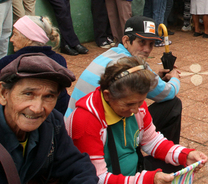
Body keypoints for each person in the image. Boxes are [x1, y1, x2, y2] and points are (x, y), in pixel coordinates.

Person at [67, 56, 207, 182]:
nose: (135, 110)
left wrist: (185, 155)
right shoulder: (85, 120)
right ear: (107, 95)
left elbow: (152, 141)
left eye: (140, 102)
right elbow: (96, 178)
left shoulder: (137, 105)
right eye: (128, 104)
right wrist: (148, 180)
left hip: (132, 171)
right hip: (105, 178)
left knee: (178, 168)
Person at [66, 15, 182, 143]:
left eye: (151, 44)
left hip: (71, 127)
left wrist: (156, 77)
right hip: (92, 134)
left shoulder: (110, 54)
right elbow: (168, 92)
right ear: (126, 40)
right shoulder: (135, 65)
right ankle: (166, 156)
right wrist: (175, 78)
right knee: (173, 104)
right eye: (141, 42)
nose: (147, 50)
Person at [0, 53, 97, 183]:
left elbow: (78, 166)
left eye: (48, 97)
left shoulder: (52, 123)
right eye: (28, 94)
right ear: (3, 94)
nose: (37, 108)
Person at [0, 15, 70, 114]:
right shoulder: (59, 59)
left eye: (15, 35)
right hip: (62, 114)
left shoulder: (8, 62)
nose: (11, 39)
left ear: (29, 38)